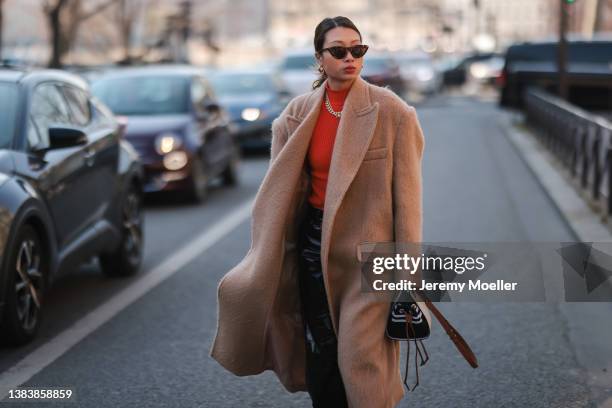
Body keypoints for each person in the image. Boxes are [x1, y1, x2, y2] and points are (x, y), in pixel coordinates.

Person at [210, 15, 426, 408]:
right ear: (319, 58)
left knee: (361, 359)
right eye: (339, 51)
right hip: (313, 248)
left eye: (358, 49)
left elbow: (408, 205)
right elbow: (279, 196)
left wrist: (407, 277)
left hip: (369, 257)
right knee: (322, 352)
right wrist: (268, 258)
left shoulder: (392, 112)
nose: (350, 58)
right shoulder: (297, 114)